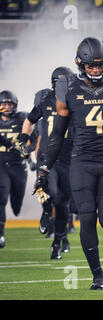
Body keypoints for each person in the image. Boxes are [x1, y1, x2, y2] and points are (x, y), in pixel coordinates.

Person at [33, 37, 103, 290]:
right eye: (91, 66)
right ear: (80, 64)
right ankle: (98, 275)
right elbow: (57, 134)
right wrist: (44, 169)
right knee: (87, 217)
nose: (96, 71)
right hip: (82, 162)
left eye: (100, 66)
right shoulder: (67, 87)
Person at [21, 66, 74, 259]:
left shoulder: (78, 101)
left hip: (68, 159)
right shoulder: (45, 100)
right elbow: (29, 120)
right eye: (58, 84)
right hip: (48, 158)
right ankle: (45, 211)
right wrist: (22, 137)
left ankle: (58, 242)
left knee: (63, 204)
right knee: (49, 193)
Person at [0, 90, 35, 249]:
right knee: (1, 198)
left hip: (18, 166)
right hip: (1, 164)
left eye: (9, 104)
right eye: (3, 104)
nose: (6, 107)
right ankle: (0, 234)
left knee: (16, 203)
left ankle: (16, 205)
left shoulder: (22, 118)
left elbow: (36, 134)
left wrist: (30, 154)